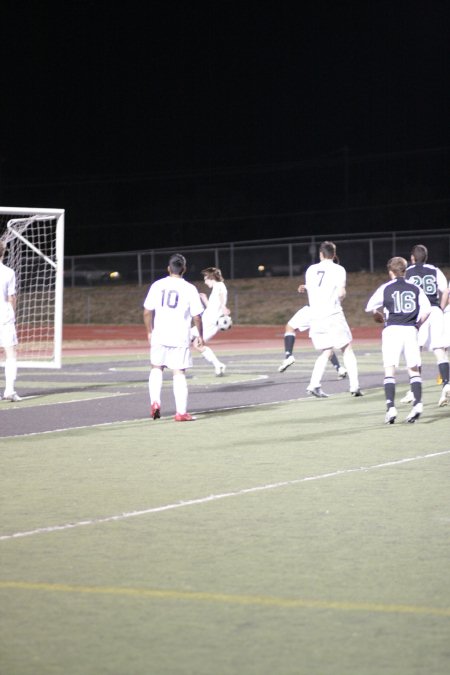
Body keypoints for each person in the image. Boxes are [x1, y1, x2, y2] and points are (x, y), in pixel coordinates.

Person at [365, 256, 431, 424]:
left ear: (390, 272)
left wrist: (378, 316)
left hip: (392, 330)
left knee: (390, 371)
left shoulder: (385, 288)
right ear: (405, 270)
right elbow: (427, 310)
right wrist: (418, 324)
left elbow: (370, 307)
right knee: (414, 370)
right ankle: (417, 404)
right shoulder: (415, 288)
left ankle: (391, 408)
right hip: (410, 329)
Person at [143, 253, 204, 422]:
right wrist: (200, 335)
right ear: (184, 269)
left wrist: (149, 331)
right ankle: (181, 413)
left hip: (160, 334)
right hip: (179, 336)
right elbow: (197, 316)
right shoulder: (189, 288)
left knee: (156, 367)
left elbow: (147, 311)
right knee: (179, 372)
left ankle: (155, 402)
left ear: (168, 269)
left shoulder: (157, 285)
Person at [302, 241, 362, 398]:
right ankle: (354, 386)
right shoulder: (339, 269)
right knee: (346, 348)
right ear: (334, 255)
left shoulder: (310, 270)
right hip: (332, 314)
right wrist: (339, 299)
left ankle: (314, 384)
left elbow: (310, 289)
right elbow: (341, 293)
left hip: (315, 316)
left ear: (321, 254)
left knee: (327, 351)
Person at [400, 244, 450, 407]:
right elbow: (446, 291)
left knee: (416, 350)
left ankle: (414, 390)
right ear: (426, 257)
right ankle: (447, 384)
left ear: (412, 258)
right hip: (435, 310)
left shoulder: (407, 272)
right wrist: (441, 308)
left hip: (420, 313)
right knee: (439, 349)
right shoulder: (435, 270)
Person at [278, 301, 348, 378]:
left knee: (290, 327)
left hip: (311, 309)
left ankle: (288, 356)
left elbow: (303, 288)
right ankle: (339, 368)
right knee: (325, 344)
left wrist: (302, 288)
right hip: (326, 312)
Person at [191, 267, 230, 376]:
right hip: (209, 320)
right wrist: (205, 299)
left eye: (205, 279)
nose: (205, 281)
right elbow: (213, 307)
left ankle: (171, 362)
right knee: (197, 344)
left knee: (188, 337)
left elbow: (222, 296)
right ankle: (218, 365)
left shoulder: (219, 286)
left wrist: (223, 306)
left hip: (210, 321)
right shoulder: (216, 288)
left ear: (211, 277)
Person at [0, 240, 21, 402]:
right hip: (4, 316)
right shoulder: (8, 272)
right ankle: (9, 390)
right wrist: (12, 316)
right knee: (10, 353)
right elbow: (11, 297)